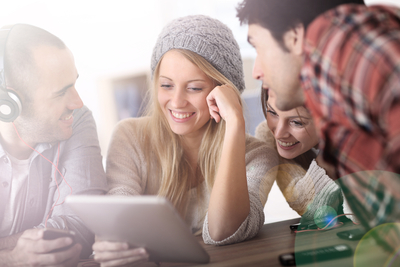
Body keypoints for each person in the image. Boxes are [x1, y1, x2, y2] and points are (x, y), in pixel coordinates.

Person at [92, 15, 278, 266]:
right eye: (167, 85)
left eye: (194, 88)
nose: (177, 102)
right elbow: (120, 211)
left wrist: (234, 122)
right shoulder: (130, 136)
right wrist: (113, 240)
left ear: (224, 91)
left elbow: (224, 233)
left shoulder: (257, 155)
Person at [237, 0, 400, 254]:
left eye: (257, 45)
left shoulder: (349, 49)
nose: (256, 71)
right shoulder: (329, 99)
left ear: (294, 35)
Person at [0, 24, 107, 266]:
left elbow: (83, 224)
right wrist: (10, 259)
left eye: (74, 83)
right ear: (9, 102)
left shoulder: (76, 120)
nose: (77, 102)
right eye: (61, 93)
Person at [255, 89, 355, 226]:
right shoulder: (269, 134)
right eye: (272, 112)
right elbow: (305, 204)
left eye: (297, 122)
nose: (278, 134)